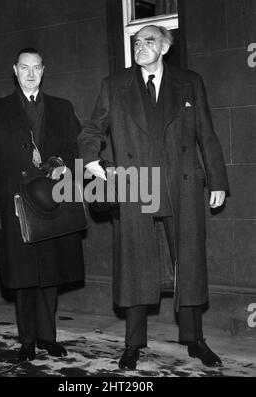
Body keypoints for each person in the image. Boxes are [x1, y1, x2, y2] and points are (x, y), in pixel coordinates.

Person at [78, 25, 229, 370]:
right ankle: (133, 343)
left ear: (164, 46)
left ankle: (194, 339)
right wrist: (92, 162)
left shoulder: (190, 81)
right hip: (137, 185)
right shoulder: (114, 85)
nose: (139, 46)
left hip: (183, 184)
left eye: (148, 41)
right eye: (136, 42)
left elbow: (207, 132)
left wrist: (218, 180)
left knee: (188, 262)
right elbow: (91, 130)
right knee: (135, 265)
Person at [0, 48, 84, 361]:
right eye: (24, 67)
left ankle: (47, 337)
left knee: (49, 274)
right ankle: (27, 340)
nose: (30, 73)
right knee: (23, 276)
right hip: (14, 205)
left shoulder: (62, 108)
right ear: (15, 70)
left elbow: (76, 149)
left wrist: (62, 162)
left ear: (43, 70)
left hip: (51, 202)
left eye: (36, 67)